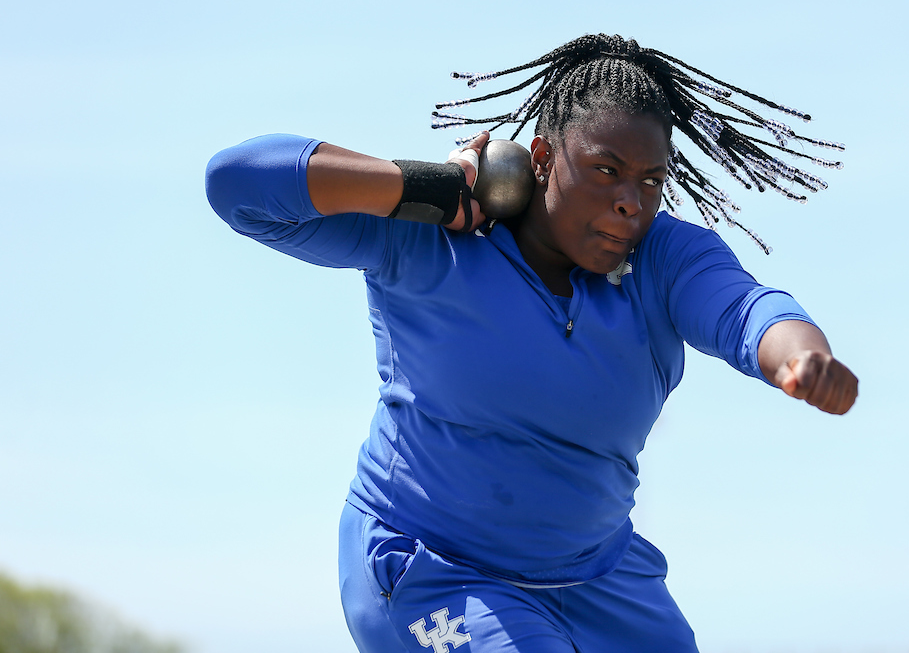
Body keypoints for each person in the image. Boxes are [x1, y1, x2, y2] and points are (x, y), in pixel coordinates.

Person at [206, 34, 858, 653]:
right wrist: (427, 190)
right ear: (540, 159)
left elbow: (747, 310)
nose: (632, 202)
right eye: (607, 171)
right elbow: (238, 185)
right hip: (432, 569)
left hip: (599, 580)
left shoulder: (664, 260)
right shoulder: (428, 242)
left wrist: (801, 356)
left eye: (651, 182)